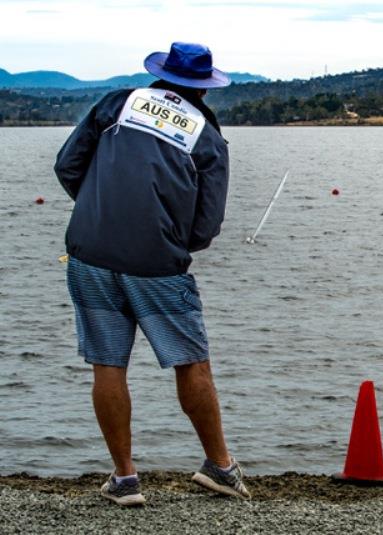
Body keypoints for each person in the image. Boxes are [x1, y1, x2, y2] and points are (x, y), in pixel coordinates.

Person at [54, 42, 249, 505]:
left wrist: (100, 209)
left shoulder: (116, 104)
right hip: (158, 264)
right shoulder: (206, 135)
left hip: (89, 252)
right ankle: (220, 468)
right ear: (205, 89)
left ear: (160, 75)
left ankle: (124, 479)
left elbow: (67, 165)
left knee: (108, 364)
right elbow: (206, 226)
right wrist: (164, 236)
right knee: (191, 362)